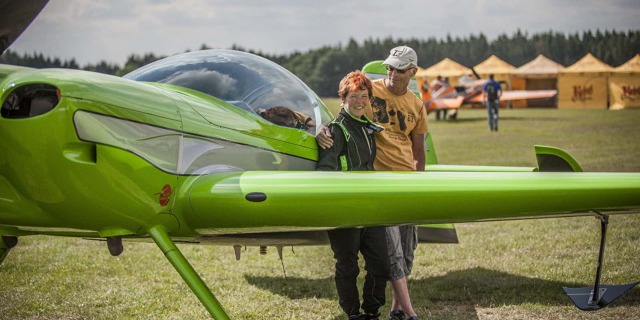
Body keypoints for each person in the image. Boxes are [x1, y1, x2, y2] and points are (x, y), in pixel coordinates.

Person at [317, 45, 427, 320]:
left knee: (395, 256)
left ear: (412, 72)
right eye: (389, 67)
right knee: (370, 259)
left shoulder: (413, 105)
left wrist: (420, 185)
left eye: (399, 69)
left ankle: (385, 309)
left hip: (397, 187)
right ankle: (386, 313)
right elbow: (344, 107)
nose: (391, 73)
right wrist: (319, 128)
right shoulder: (367, 93)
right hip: (366, 195)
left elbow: (419, 150)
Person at [317, 70, 388, 320]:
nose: (359, 101)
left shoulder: (368, 129)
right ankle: (353, 313)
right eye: (354, 96)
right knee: (347, 267)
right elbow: (325, 171)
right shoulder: (335, 131)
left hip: (370, 208)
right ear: (343, 99)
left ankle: (372, 309)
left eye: (364, 96)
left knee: (381, 265)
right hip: (344, 210)